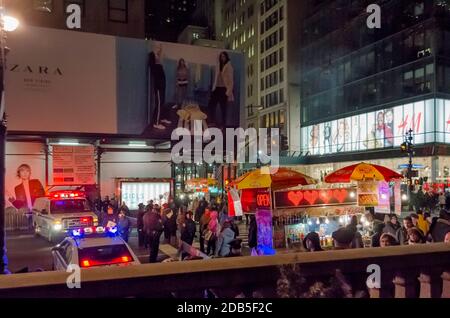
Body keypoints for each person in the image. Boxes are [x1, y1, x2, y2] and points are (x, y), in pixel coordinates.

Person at [8, 164, 45, 228]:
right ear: (19, 173)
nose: (25, 173)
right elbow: (20, 205)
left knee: (39, 231)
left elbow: (43, 196)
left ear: (30, 173)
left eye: (27, 171)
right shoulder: (17, 188)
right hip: (27, 214)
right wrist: (13, 201)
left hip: (38, 212)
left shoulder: (36, 182)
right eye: (22, 171)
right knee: (29, 231)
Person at [208, 51, 234, 129]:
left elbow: (231, 80)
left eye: (223, 56)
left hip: (223, 89)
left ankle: (223, 124)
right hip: (217, 88)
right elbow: (216, 78)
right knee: (211, 105)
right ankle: (212, 121)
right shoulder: (219, 65)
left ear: (226, 57)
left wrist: (228, 92)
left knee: (223, 108)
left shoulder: (229, 66)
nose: (222, 58)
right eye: (221, 57)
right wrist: (213, 88)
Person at [149, 43, 171, 130]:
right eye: (157, 47)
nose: (159, 49)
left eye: (160, 48)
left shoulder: (158, 57)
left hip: (162, 84)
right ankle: (156, 123)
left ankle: (161, 118)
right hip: (158, 85)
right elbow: (153, 69)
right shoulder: (152, 55)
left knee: (162, 102)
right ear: (154, 47)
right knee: (158, 104)